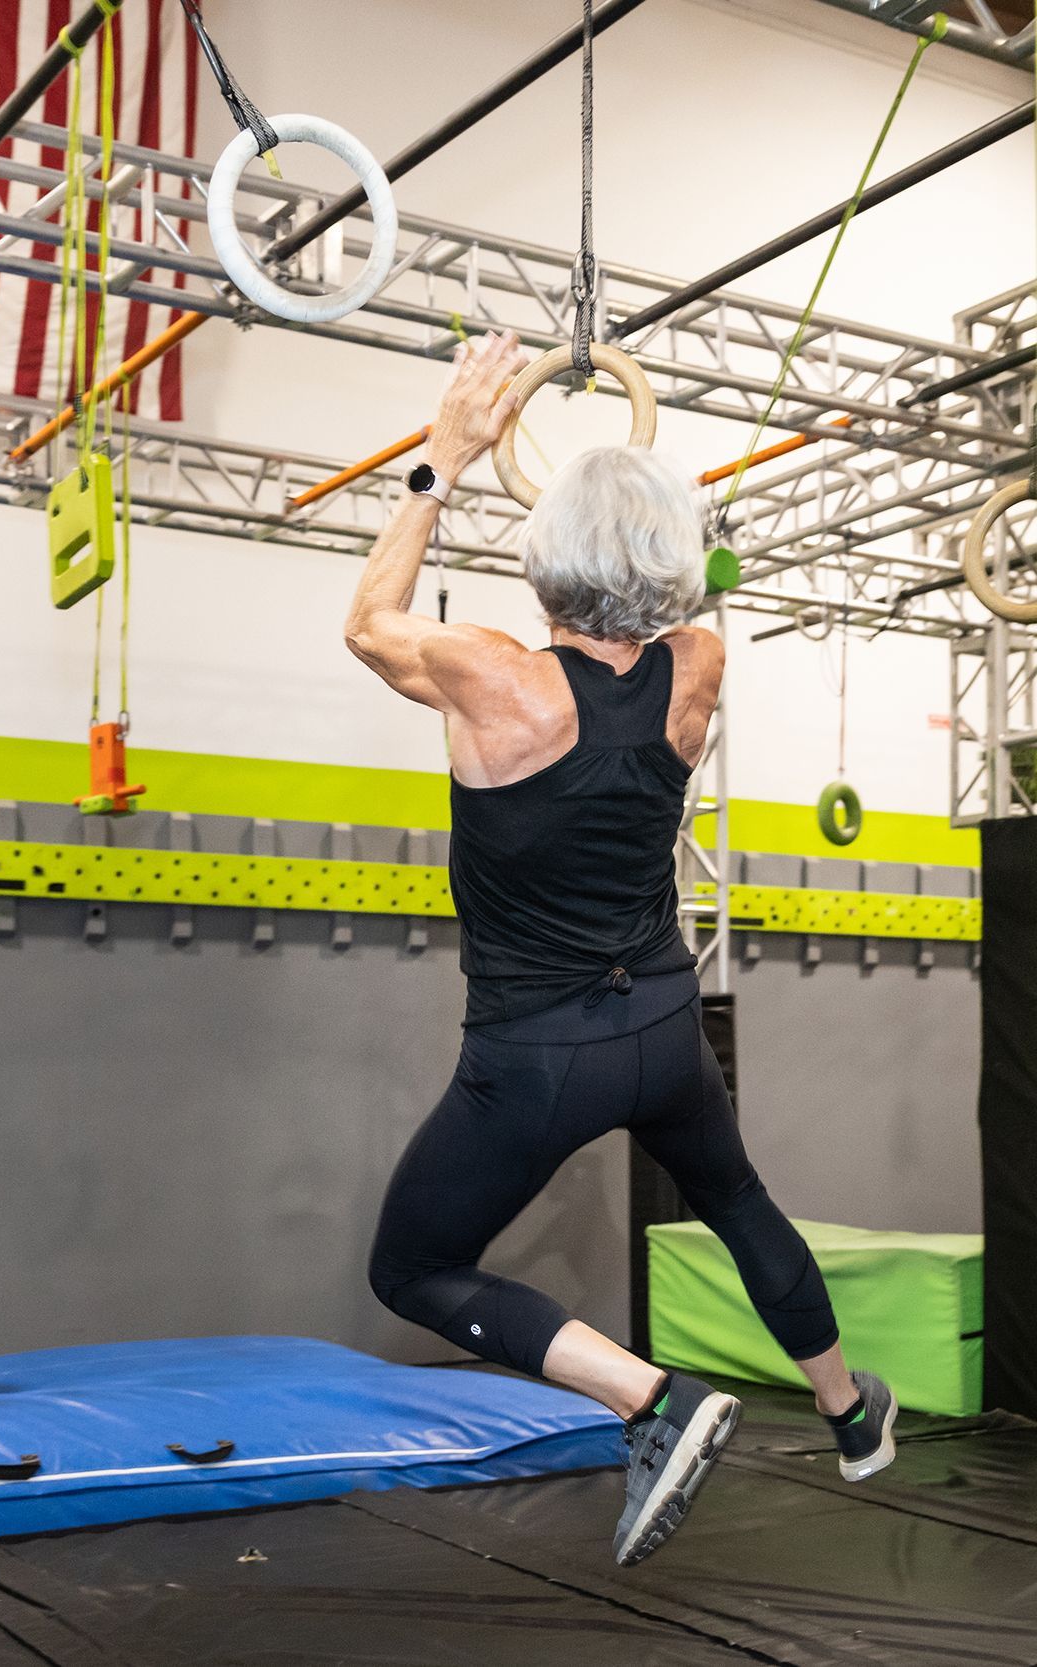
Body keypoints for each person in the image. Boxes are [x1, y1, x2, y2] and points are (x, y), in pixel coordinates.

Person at [345, 328, 897, 1568]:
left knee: (415, 1262)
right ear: (669, 560)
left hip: (535, 1055)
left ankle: (653, 1398)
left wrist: (442, 459)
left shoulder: (489, 677)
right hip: (660, 1026)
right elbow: (677, 598)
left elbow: (368, 617)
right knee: (736, 1196)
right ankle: (847, 1411)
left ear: (545, 559)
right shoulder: (696, 665)